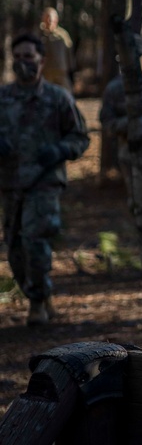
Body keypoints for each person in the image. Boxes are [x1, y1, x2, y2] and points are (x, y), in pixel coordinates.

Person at [0, 33, 90, 325]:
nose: (22, 62)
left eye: (28, 56)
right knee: (14, 250)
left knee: (34, 242)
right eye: (18, 57)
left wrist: (59, 150)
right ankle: (41, 294)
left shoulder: (57, 97)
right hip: (11, 185)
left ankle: (37, 303)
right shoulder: (3, 98)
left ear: (42, 60)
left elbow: (80, 137)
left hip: (44, 184)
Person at [98, 36, 142, 209]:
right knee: (140, 208)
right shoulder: (115, 89)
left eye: (134, 59)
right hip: (132, 159)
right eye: (124, 60)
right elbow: (107, 124)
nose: (130, 64)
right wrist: (132, 123)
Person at [37, 7, 76, 93]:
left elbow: (69, 53)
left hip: (61, 74)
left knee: (66, 95)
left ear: (56, 19)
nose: (49, 21)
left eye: (51, 18)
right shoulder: (39, 35)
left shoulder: (62, 35)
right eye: (47, 18)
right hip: (45, 74)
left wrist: (71, 71)